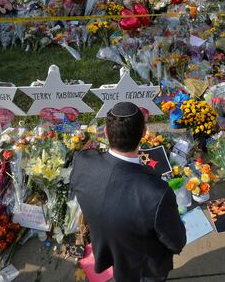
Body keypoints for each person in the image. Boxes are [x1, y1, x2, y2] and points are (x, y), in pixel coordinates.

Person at [70, 102, 186, 282]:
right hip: (144, 267)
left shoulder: (83, 162)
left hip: (107, 248)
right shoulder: (157, 194)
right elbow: (175, 241)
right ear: (143, 132)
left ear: (106, 133)